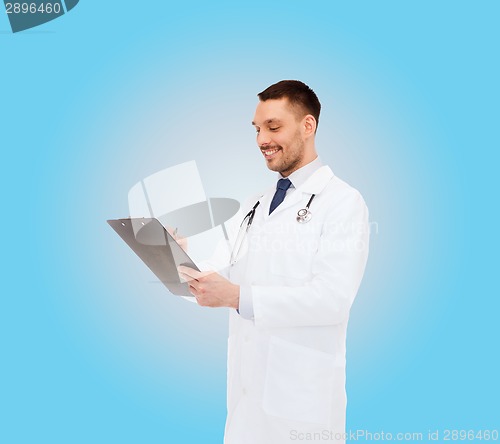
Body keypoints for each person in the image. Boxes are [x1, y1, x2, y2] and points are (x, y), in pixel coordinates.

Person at [178, 80, 369, 444]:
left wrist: (237, 297)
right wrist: (179, 259)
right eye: (257, 129)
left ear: (308, 126)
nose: (262, 139)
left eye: (273, 127)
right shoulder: (255, 204)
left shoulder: (342, 202)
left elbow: (333, 300)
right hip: (245, 406)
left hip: (303, 411)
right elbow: (223, 274)